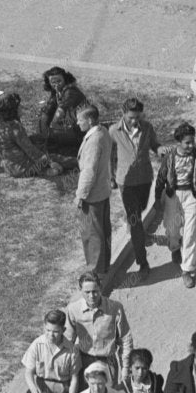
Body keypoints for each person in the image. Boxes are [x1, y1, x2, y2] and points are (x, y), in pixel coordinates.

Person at [105, 96, 159, 287]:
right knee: (136, 221)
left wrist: (161, 150)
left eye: (137, 117)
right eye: (131, 118)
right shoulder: (113, 131)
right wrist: (111, 177)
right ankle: (142, 262)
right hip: (125, 182)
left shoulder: (148, 127)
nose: (135, 121)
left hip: (145, 178)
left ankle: (133, 224)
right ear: (123, 114)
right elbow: (109, 156)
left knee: (143, 208)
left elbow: (154, 145)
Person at [154, 121, 196, 287]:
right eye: (187, 143)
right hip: (173, 196)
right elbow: (161, 178)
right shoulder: (170, 157)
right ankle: (174, 247)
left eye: (192, 141)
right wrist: (158, 198)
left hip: (191, 196)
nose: (191, 145)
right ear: (178, 142)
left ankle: (187, 269)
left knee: (191, 232)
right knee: (172, 229)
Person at [73, 102, 115, 276]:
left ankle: (95, 272)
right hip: (103, 190)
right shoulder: (103, 132)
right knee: (103, 231)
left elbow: (89, 171)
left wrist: (80, 195)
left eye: (79, 120)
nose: (77, 123)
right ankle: (104, 267)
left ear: (89, 120)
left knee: (92, 236)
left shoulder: (93, 141)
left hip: (92, 195)